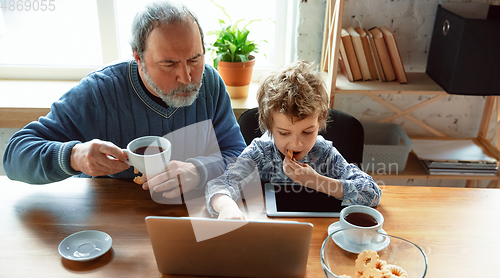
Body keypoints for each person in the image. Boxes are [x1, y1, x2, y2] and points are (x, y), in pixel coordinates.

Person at [2, 1, 246, 199]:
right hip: (109, 227)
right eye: (169, 63)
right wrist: (73, 156)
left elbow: (240, 156)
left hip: (188, 220)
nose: (186, 77)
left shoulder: (211, 83)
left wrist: (198, 171)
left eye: (194, 59)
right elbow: (14, 156)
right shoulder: (98, 92)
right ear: (138, 58)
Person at [206, 61, 382, 220]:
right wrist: (227, 206)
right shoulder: (260, 153)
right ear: (269, 127)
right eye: (284, 133)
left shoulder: (325, 154)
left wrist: (316, 181)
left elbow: (372, 193)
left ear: (319, 123)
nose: (296, 144)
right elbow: (218, 185)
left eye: (307, 132)